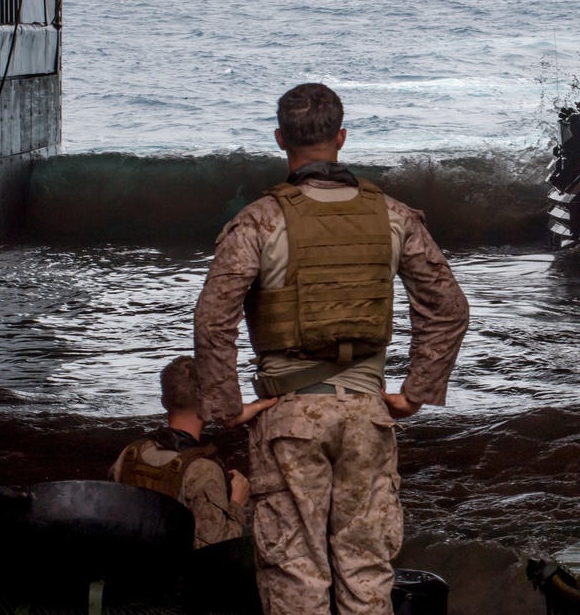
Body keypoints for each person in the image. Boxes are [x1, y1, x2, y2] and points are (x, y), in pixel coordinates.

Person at [193, 82, 470, 615]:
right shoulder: (394, 216)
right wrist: (416, 392)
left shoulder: (259, 221)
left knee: (296, 577)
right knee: (367, 574)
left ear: (280, 140)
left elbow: (213, 318)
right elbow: (449, 308)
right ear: (341, 138)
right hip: (368, 416)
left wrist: (226, 407)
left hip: (288, 418)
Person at [109, 355, 271, 549]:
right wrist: (236, 503)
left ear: (163, 401)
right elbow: (215, 553)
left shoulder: (130, 454)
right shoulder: (204, 471)